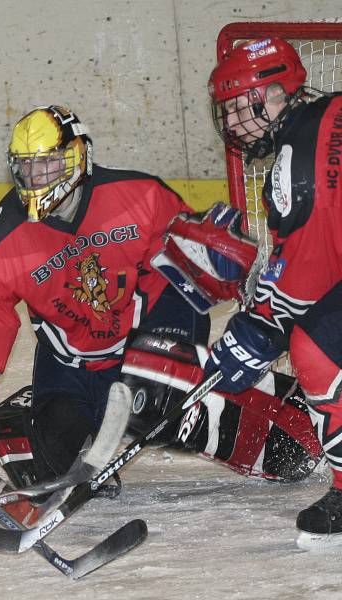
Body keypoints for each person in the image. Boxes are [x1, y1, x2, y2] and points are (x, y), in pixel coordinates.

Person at [0, 104, 215, 489]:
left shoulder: (140, 197)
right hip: (70, 361)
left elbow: (189, 277)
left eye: (47, 164)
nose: (35, 177)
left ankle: (239, 424)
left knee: (166, 414)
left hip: (140, 344)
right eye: (26, 167)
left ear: (78, 156)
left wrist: (175, 351)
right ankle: (63, 423)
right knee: (53, 455)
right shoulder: (1, 244)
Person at [206, 36, 342, 548]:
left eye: (239, 107)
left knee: (316, 347)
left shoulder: (295, 159)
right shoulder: (327, 115)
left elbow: (307, 270)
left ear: (276, 93)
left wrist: (259, 327)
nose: (234, 124)